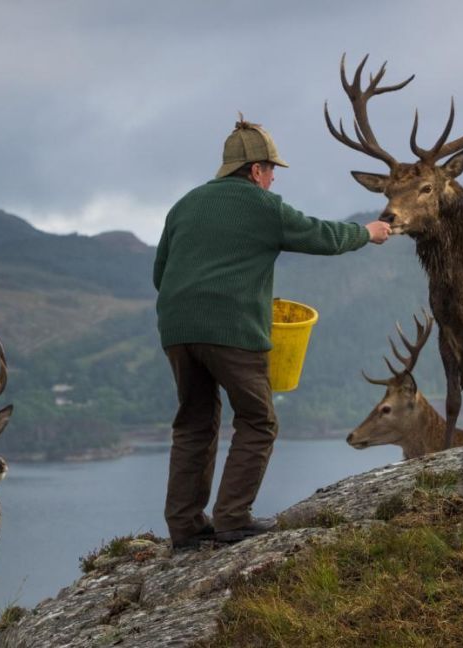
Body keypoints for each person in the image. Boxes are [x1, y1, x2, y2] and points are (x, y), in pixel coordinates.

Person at [153, 116, 391, 549]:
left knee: (194, 422)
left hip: (177, 328)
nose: (274, 177)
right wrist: (367, 233)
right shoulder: (262, 205)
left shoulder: (185, 205)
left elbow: (160, 272)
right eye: (272, 168)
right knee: (258, 420)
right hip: (231, 329)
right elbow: (321, 235)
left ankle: (185, 528)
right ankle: (232, 519)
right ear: (255, 169)